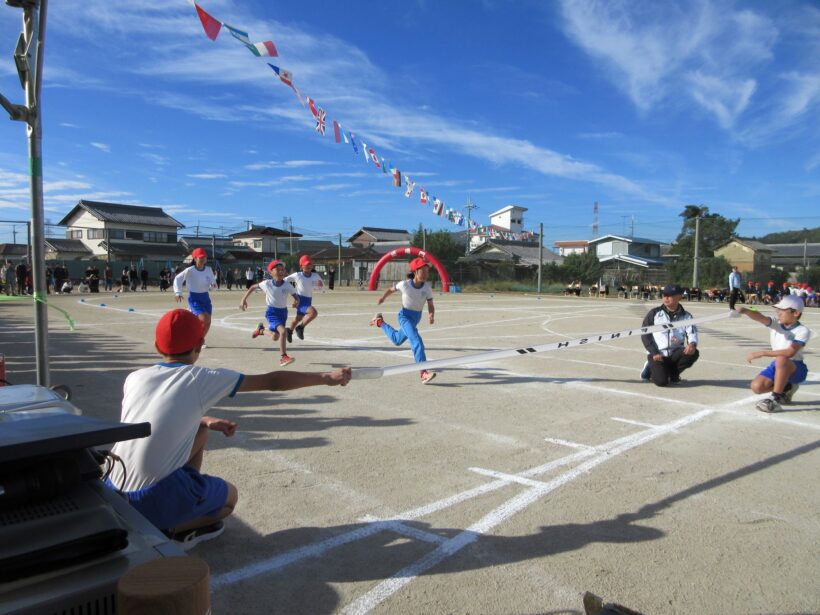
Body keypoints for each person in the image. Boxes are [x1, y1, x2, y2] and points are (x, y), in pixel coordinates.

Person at [104, 308, 351, 549]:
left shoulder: (135, 378)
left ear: (157, 346)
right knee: (229, 499)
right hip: (150, 499)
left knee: (201, 429)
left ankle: (180, 499)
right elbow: (273, 382)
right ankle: (163, 529)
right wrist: (326, 377)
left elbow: (156, 415)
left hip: (114, 488)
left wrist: (206, 420)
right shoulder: (199, 378)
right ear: (200, 344)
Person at [734, 295, 811, 413]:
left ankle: (774, 399)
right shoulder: (776, 324)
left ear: (795, 313)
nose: (778, 312)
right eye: (778, 309)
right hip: (779, 364)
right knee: (757, 387)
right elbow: (760, 317)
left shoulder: (802, 331)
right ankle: (787, 387)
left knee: (781, 358)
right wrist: (745, 311)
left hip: (797, 369)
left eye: (782, 310)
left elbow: (790, 352)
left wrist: (763, 352)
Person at [370, 257, 437, 384]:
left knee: (397, 340)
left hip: (415, 319)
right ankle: (423, 373)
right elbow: (391, 289)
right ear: (415, 272)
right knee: (417, 341)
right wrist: (382, 298)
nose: (426, 274)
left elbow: (430, 304)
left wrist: (431, 315)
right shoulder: (405, 285)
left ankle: (379, 322)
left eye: (427, 271)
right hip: (405, 317)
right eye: (423, 271)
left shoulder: (427, 288)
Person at [240, 259, 299, 366]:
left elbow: (296, 297)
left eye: (282, 269)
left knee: (275, 337)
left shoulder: (288, 285)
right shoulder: (266, 283)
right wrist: (243, 299)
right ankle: (283, 357)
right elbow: (253, 286)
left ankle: (261, 330)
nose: (281, 271)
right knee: (283, 332)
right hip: (272, 312)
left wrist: (296, 302)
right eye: (278, 269)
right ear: (270, 272)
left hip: (283, 313)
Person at [639, 283, 699, 386]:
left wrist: (692, 344)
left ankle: (673, 374)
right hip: (658, 354)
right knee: (661, 382)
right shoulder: (654, 314)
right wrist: (654, 352)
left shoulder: (687, 316)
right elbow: (645, 335)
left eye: (670, 295)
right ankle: (649, 368)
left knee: (693, 353)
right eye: (664, 295)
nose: (666, 298)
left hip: (675, 354)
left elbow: (692, 332)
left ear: (679, 297)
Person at [173, 248, 216, 340]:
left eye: (204, 257)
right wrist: (178, 292)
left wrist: (213, 286)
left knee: (208, 321)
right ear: (195, 258)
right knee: (204, 319)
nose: (203, 259)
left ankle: (200, 340)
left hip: (205, 297)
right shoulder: (190, 270)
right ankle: (191, 312)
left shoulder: (209, 270)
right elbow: (178, 279)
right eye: (200, 257)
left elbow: (214, 284)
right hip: (194, 298)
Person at [286, 255, 324, 341]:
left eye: (310, 264)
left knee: (298, 319)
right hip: (300, 300)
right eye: (306, 264)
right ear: (301, 266)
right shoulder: (297, 275)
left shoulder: (315, 275)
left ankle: (289, 331)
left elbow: (322, 287)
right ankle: (300, 328)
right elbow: (285, 280)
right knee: (313, 313)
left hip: (308, 299)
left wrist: (320, 286)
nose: (308, 266)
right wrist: (292, 291)